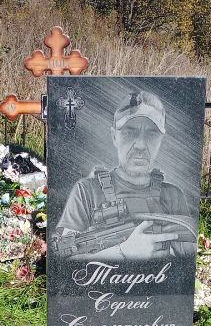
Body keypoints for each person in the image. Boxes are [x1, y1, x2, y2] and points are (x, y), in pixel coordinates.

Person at [54, 88, 197, 261]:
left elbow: (187, 259)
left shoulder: (173, 196)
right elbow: (65, 261)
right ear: (114, 136)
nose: (140, 145)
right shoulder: (86, 191)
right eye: (130, 132)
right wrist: (123, 253)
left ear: (161, 141)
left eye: (151, 134)